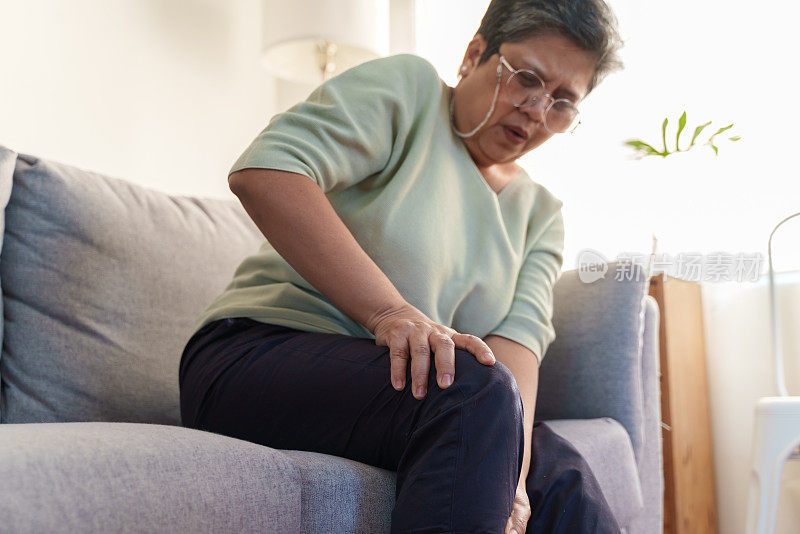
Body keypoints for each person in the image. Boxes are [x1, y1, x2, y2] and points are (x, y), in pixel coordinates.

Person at [179, 0, 625, 532]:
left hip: (392, 386)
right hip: (251, 357)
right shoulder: (410, 91)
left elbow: (516, 350)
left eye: (562, 102)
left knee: (559, 475)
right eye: (527, 78)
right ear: (474, 54)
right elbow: (268, 169)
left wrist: (516, 481)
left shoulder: (539, 213)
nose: (536, 108)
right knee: (470, 396)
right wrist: (389, 312)